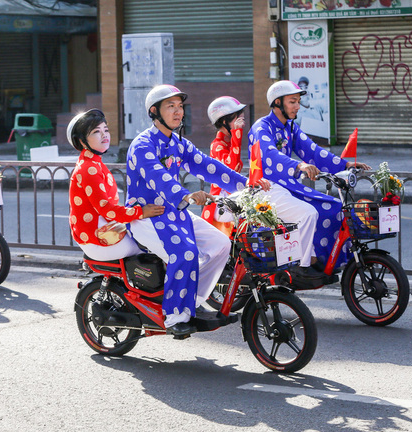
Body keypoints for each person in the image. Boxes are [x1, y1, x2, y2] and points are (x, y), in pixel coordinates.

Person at [126, 84, 270, 336]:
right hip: (146, 216)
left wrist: (246, 184)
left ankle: (190, 301)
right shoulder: (142, 145)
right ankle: (174, 316)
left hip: (175, 212)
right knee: (185, 253)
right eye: (171, 106)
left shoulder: (179, 143)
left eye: (180, 106)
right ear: (154, 111)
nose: (178, 112)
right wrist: (186, 195)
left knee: (220, 245)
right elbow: (158, 178)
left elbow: (209, 166)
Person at [248, 80, 370, 271]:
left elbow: (312, 151)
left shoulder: (290, 127)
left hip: (288, 185)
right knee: (308, 214)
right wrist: (299, 165)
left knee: (334, 207)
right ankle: (301, 266)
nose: (297, 106)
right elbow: (270, 154)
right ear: (277, 103)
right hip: (267, 187)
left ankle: (324, 260)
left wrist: (344, 164)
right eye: (292, 102)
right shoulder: (261, 127)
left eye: (297, 101)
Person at [68, 109, 164, 261]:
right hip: (98, 238)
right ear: (81, 141)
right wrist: (141, 212)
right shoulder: (89, 169)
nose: (104, 134)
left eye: (105, 129)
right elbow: (106, 209)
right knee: (158, 248)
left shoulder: (94, 163)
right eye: (96, 132)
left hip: (103, 230)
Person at [202, 96, 247, 236]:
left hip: (231, 197)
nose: (242, 122)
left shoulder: (228, 143)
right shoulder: (217, 145)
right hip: (220, 202)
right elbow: (231, 167)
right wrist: (237, 134)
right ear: (223, 121)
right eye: (237, 119)